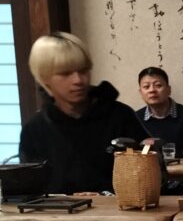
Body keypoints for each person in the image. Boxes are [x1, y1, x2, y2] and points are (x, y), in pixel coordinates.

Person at [20, 32, 144, 194]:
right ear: (45, 79)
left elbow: (147, 179)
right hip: (58, 216)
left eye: (83, 71)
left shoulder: (120, 115)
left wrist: (105, 195)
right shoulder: (35, 128)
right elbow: (30, 190)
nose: (78, 80)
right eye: (65, 74)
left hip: (118, 212)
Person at [136, 66, 183, 158]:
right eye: (146, 87)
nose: (152, 90)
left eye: (158, 85)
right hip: (146, 170)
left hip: (181, 170)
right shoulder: (136, 118)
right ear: (140, 93)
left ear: (169, 90)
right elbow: (134, 154)